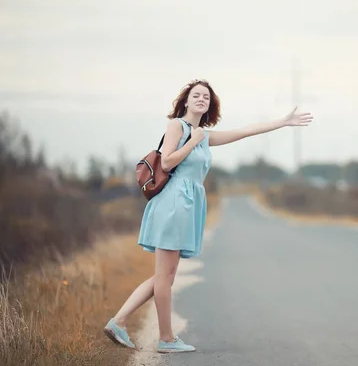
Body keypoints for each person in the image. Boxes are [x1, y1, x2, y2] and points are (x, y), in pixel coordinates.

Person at [103, 79, 313, 353]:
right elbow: (166, 162)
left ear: (209, 104)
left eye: (206, 96)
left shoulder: (203, 134)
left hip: (187, 204)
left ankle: (118, 321)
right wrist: (193, 142)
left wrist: (283, 122)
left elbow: (246, 131)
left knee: (164, 275)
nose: (201, 99)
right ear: (186, 101)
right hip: (174, 202)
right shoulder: (178, 126)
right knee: (165, 277)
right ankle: (166, 339)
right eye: (196, 95)